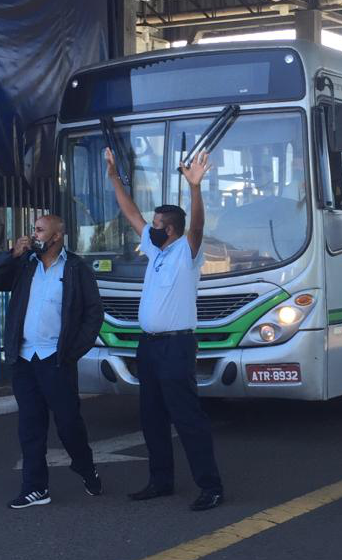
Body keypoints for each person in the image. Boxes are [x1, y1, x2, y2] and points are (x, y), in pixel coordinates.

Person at [106, 147, 225, 511]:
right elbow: (131, 213)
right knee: (152, 417)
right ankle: (161, 481)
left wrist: (195, 187)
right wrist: (113, 175)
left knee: (187, 418)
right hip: (150, 347)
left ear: (170, 230)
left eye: (156, 225)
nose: (150, 227)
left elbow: (199, 226)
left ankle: (210, 486)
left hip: (177, 347)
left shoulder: (186, 251)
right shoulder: (156, 251)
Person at [0, 214, 104, 509]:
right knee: (30, 425)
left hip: (55, 360)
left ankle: (86, 468)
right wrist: (11, 254)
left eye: (39, 230)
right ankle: (36, 488)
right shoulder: (24, 265)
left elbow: (93, 314)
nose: (33, 235)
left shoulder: (75, 268)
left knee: (68, 424)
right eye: (33, 230)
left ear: (57, 236)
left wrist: (72, 352)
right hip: (24, 359)